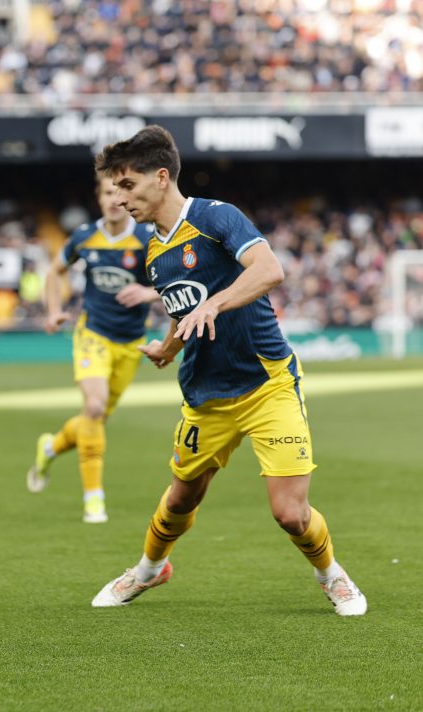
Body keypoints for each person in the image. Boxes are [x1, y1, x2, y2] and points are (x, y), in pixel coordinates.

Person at [88, 125, 366, 615]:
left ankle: (332, 575)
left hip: (266, 385)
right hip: (206, 394)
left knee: (290, 514)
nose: (120, 198)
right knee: (180, 500)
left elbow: (269, 269)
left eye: (127, 185)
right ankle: (149, 570)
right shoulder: (154, 250)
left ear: (160, 177)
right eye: (115, 188)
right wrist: (169, 348)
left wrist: (215, 304)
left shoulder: (215, 217)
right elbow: (183, 307)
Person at [26, 175, 160, 524]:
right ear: (98, 199)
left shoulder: (146, 237)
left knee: (93, 418)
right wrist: (54, 310)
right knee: (95, 406)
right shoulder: (85, 236)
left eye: (120, 193)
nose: (114, 200)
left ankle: (51, 447)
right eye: (107, 193)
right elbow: (55, 272)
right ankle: (93, 499)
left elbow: (175, 282)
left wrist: (148, 293)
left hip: (132, 342)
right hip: (93, 333)